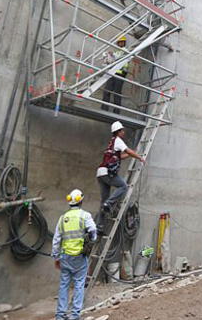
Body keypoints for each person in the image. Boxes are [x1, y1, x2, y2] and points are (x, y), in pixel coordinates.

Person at [52, 189, 97, 320]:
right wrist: (91, 241)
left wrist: (56, 257)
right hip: (79, 257)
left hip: (65, 256)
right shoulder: (85, 216)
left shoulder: (63, 218)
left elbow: (56, 239)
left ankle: (60, 315)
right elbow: (93, 230)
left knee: (64, 285)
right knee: (79, 284)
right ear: (81, 201)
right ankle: (74, 316)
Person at [96, 121, 145, 230]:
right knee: (123, 186)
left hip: (100, 173)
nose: (124, 132)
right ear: (118, 132)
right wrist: (139, 157)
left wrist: (132, 153)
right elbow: (127, 150)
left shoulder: (112, 142)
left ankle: (99, 227)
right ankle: (109, 203)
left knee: (103, 202)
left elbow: (120, 156)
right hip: (107, 172)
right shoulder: (118, 140)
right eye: (122, 130)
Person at [101, 35, 130, 114]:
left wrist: (112, 55)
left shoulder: (125, 50)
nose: (121, 43)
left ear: (124, 43)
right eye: (119, 42)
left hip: (120, 74)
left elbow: (118, 57)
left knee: (116, 92)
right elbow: (113, 59)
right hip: (113, 73)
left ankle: (116, 111)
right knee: (107, 90)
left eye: (122, 42)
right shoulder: (117, 52)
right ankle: (104, 108)